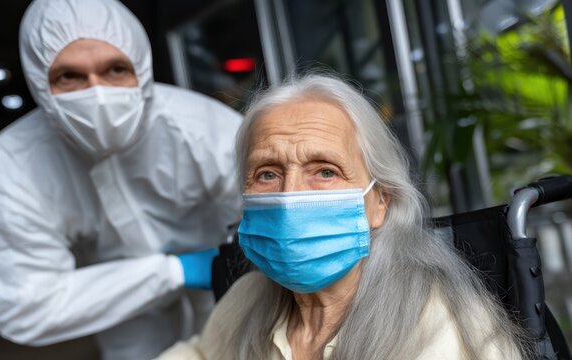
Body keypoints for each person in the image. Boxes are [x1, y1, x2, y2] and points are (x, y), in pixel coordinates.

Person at [156, 74, 531, 359]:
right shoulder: (249, 298)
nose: (290, 196)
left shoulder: (441, 328)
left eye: (325, 171)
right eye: (267, 174)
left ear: (380, 202)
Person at [0, 0, 242, 358]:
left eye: (115, 69)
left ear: (141, 68)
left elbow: (267, 214)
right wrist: (172, 272)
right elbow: (21, 301)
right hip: (122, 310)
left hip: (225, 286)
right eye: (69, 76)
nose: (97, 93)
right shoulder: (18, 164)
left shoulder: (203, 129)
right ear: (39, 83)